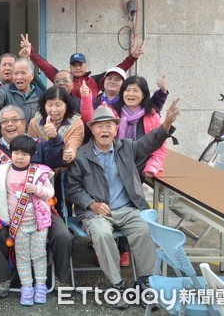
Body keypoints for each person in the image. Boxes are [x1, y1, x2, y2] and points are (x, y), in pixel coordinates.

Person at [66, 100, 180, 310]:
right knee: (101, 234)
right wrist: (91, 204)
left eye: (109, 125)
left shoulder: (126, 147)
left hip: (128, 209)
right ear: (92, 129)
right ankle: (117, 285)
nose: (105, 130)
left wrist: (166, 125)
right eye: (99, 125)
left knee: (145, 228)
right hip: (96, 213)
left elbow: (150, 142)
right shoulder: (81, 156)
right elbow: (73, 189)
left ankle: (145, 283)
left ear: (116, 128)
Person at [0, 105, 72, 298]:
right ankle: (3, 277)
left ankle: (61, 278)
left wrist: (55, 139)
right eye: (5, 121)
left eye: (15, 120)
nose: (10, 125)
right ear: (0, 126)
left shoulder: (39, 144)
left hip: (41, 209)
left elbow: (56, 159)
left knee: (63, 235)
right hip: (6, 210)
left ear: (24, 123)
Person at [0, 135, 55, 305]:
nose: (20, 157)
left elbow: (50, 192)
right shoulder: (4, 170)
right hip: (18, 224)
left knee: (38, 255)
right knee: (22, 256)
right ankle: (26, 288)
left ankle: (41, 286)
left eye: (24, 154)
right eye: (16, 153)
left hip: (38, 223)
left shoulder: (39, 172)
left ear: (32, 155)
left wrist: (37, 189)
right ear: (10, 153)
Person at [21, 31, 144, 98]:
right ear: (70, 67)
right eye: (74, 65)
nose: (78, 67)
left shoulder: (96, 80)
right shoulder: (62, 79)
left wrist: (132, 58)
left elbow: (118, 70)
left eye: (80, 65)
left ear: (86, 66)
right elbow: (45, 66)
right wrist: (31, 51)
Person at [28, 86, 84, 215]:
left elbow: (73, 144)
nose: (54, 110)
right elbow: (33, 148)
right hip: (42, 175)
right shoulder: (35, 123)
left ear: (67, 105)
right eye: (50, 105)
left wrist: (69, 152)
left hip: (66, 172)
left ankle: (66, 224)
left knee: (65, 204)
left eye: (58, 105)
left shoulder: (76, 122)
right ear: (44, 105)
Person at [114, 76, 168, 178]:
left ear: (143, 95)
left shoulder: (152, 116)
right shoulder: (114, 113)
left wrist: (151, 167)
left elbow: (161, 147)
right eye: (127, 90)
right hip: (115, 165)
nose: (130, 94)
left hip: (139, 168)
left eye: (135, 90)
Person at [0, 57, 44, 122]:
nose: (19, 77)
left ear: (32, 75)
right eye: (15, 73)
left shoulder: (41, 96)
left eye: (23, 73)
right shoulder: (5, 90)